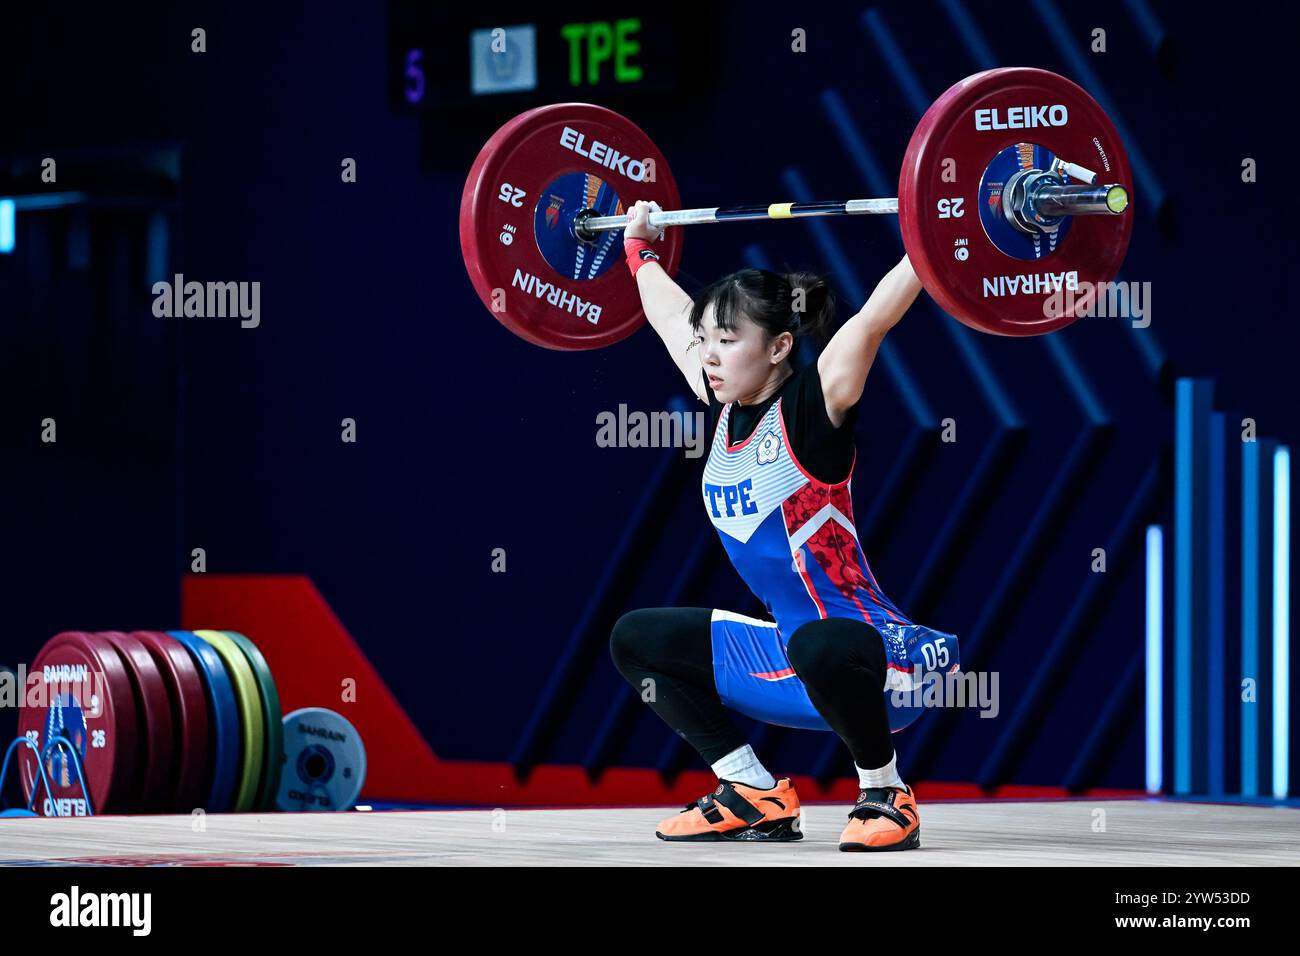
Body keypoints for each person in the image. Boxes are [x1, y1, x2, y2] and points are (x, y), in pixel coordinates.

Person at [609, 200, 960, 851]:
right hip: (792, 662)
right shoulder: (721, 397)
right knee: (638, 638)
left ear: (778, 348)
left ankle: (886, 793)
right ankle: (752, 792)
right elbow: (667, 318)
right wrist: (640, 250)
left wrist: (935, 236)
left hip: (887, 665)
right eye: (707, 340)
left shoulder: (812, 407)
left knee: (819, 644)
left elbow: (873, 320)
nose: (709, 355)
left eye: (727, 340)